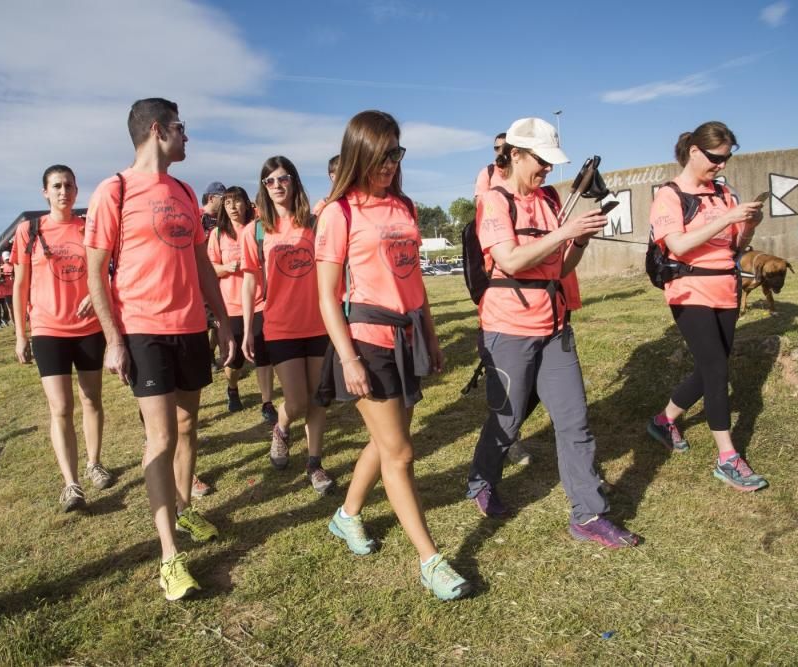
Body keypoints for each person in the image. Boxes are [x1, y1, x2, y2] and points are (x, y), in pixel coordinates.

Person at [316, 109, 472, 601]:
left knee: (388, 440)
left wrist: (430, 334)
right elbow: (325, 295)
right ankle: (431, 561)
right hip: (366, 341)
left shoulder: (403, 206)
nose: (390, 164)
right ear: (360, 152)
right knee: (401, 452)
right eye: (383, 155)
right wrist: (348, 358)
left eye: (397, 154)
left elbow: (414, 280)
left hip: (407, 339)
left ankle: (346, 516)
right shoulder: (338, 212)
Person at [85, 97, 234, 601]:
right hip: (143, 328)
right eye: (180, 128)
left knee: (190, 427)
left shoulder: (186, 190)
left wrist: (225, 321)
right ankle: (170, 557)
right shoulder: (115, 190)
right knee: (162, 437)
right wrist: (113, 340)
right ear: (156, 130)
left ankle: (185, 508)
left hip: (190, 326)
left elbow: (202, 264)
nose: (187, 136)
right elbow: (95, 270)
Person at [465, 117, 639, 549]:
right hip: (508, 329)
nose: (547, 169)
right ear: (516, 155)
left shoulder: (549, 199)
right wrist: (565, 231)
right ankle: (480, 480)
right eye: (541, 160)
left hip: (555, 325)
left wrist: (578, 241)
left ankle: (588, 514)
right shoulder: (494, 202)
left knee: (575, 422)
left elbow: (557, 269)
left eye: (550, 161)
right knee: (507, 418)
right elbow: (510, 260)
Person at [646, 121, 767, 491]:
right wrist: (727, 218)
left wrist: (747, 224)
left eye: (727, 158)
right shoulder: (669, 195)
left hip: (725, 289)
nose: (722, 166)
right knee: (716, 368)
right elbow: (678, 246)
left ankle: (664, 420)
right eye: (717, 158)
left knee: (712, 366)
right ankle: (727, 457)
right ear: (695, 152)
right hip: (688, 290)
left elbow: (735, 247)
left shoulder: (723, 193)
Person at [12, 164, 116, 512]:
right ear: (45, 192)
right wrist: (19, 334)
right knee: (61, 407)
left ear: (76, 190)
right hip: (47, 329)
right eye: (56, 186)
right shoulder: (29, 231)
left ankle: (94, 463)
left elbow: (104, 270)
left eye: (69, 185)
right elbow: (19, 285)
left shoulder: (87, 228)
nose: (63, 191)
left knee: (91, 398)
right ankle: (71, 484)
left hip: (88, 327)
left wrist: (96, 291)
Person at [239, 155, 334, 494]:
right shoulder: (257, 231)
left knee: (319, 399)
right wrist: (248, 328)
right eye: (270, 181)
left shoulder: (314, 223)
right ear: (263, 187)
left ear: (294, 181)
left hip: (319, 324)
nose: (277, 186)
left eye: (283, 179)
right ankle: (281, 427)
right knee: (296, 402)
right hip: (280, 326)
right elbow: (249, 281)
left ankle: (315, 463)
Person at [206, 185, 278, 422]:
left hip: (259, 301)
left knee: (263, 355)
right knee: (235, 358)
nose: (233, 207)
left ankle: (267, 402)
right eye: (227, 204)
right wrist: (225, 268)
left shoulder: (259, 230)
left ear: (247, 204)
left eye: (237, 202)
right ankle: (232, 387)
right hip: (231, 305)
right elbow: (208, 269)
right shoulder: (218, 234)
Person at [473, 132, 509, 202]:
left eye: (504, 147)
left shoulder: (520, 172)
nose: (500, 151)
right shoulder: (486, 173)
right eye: (497, 148)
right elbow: (481, 204)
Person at [0, 251, 15, 327]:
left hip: (17, 291)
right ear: (3, 259)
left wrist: (14, 277)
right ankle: (15, 325)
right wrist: (2, 280)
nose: (7, 260)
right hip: (7, 292)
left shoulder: (15, 266)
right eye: (6, 259)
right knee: (11, 309)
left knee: (17, 309)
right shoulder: (1, 268)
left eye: (8, 258)